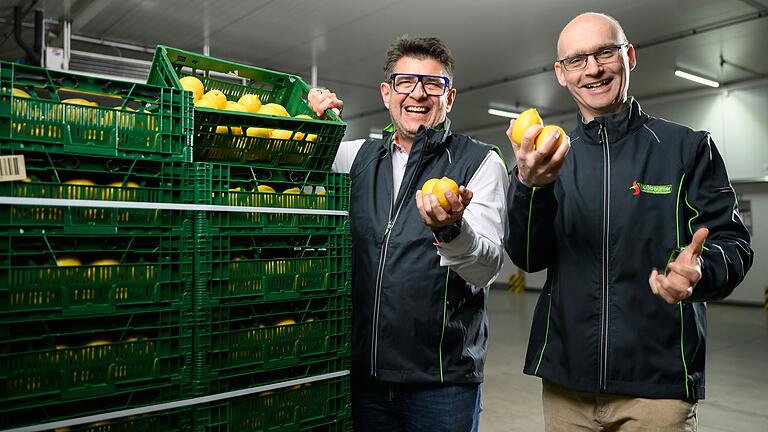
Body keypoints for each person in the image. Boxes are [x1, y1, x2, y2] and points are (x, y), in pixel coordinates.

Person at [504, 12, 753, 431]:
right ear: (561, 74)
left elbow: (732, 242)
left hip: (657, 388)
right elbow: (528, 256)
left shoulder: (687, 148)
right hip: (568, 386)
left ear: (629, 56)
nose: (594, 69)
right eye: (577, 60)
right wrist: (530, 185)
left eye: (605, 52)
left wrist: (701, 271)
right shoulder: (548, 157)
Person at [308, 35, 509, 431]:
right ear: (387, 93)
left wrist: (451, 230)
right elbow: (292, 175)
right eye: (405, 82)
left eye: (433, 84)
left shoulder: (480, 162)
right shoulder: (355, 158)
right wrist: (314, 120)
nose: (418, 93)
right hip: (366, 377)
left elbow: (487, 267)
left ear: (449, 98)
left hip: (442, 382)